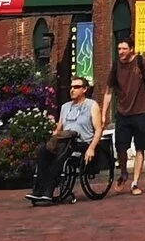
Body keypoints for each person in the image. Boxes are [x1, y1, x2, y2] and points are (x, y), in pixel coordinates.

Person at [31, 76, 100, 205]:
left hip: (82, 142)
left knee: (63, 150)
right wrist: (52, 139)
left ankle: (48, 191)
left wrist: (91, 148)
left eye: (76, 87)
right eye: (71, 87)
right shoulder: (65, 107)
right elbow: (59, 129)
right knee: (42, 150)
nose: (72, 90)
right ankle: (38, 190)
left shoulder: (91, 105)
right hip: (64, 140)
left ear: (85, 89)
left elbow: (98, 129)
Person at [104, 42, 145, 194]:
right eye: (119, 49)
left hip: (141, 112)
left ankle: (135, 183)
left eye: (124, 49)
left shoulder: (141, 62)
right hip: (123, 113)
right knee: (121, 148)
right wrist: (103, 113)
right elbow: (108, 92)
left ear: (131, 49)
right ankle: (123, 173)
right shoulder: (116, 67)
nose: (121, 51)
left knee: (140, 147)